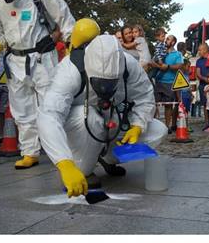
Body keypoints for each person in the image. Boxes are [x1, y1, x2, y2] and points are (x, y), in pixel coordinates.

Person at [38, 31, 168, 198]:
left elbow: (145, 96)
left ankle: (107, 158)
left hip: (113, 119)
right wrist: (64, 164)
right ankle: (81, 170)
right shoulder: (69, 71)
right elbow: (49, 116)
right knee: (89, 117)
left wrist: (137, 125)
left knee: (158, 130)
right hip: (81, 125)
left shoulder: (129, 65)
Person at [0, 0, 75, 169]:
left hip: (43, 56)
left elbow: (63, 14)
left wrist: (73, 42)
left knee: (51, 104)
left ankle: (62, 150)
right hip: (15, 59)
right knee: (22, 109)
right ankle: (29, 151)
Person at [152, 34, 186, 131]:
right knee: (154, 105)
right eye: (166, 39)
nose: (165, 40)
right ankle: (154, 127)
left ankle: (167, 127)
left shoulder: (177, 54)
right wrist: (159, 67)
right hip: (158, 82)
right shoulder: (160, 52)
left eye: (168, 39)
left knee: (168, 105)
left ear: (173, 42)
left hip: (170, 83)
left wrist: (167, 67)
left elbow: (179, 65)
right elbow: (151, 62)